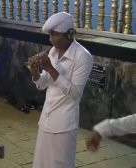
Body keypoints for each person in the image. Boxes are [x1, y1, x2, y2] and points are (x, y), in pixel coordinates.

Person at [28, 12, 93, 168]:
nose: (50, 40)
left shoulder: (83, 57)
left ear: (70, 34)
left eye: (55, 35)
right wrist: (35, 72)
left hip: (64, 125)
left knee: (60, 164)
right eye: (50, 35)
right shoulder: (53, 52)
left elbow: (75, 93)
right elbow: (43, 84)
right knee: (41, 163)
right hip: (46, 120)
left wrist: (50, 68)